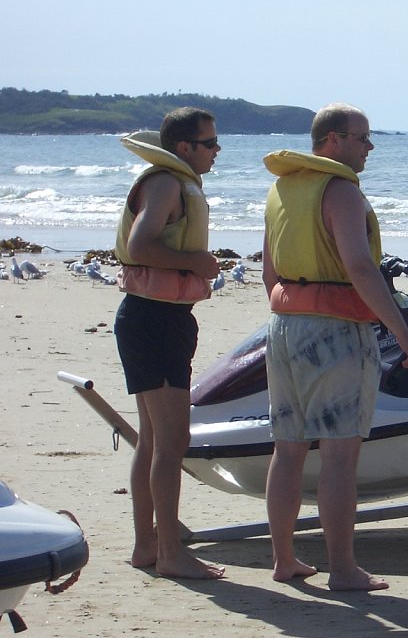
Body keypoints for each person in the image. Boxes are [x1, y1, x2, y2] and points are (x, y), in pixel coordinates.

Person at [261, 102, 408, 590]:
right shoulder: (341, 190)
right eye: (362, 137)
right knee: (338, 454)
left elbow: (269, 272)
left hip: (284, 326)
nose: (369, 147)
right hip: (336, 329)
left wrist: (292, 309)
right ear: (333, 140)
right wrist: (400, 329)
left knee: (287, 449)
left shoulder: (282, 187)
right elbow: (359, 266)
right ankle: (343, 569)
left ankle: (285, 559)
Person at [113, 107, 225, 579]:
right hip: (154, 321)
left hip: (155, 319)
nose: (217, 151)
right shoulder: (165, 184)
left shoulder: (171, 182)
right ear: (185, 148)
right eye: (210, 143)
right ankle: (171, 554)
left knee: (155, 439)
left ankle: (147, 547)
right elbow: (140, 248)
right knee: (171, 441)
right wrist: (195, 261)